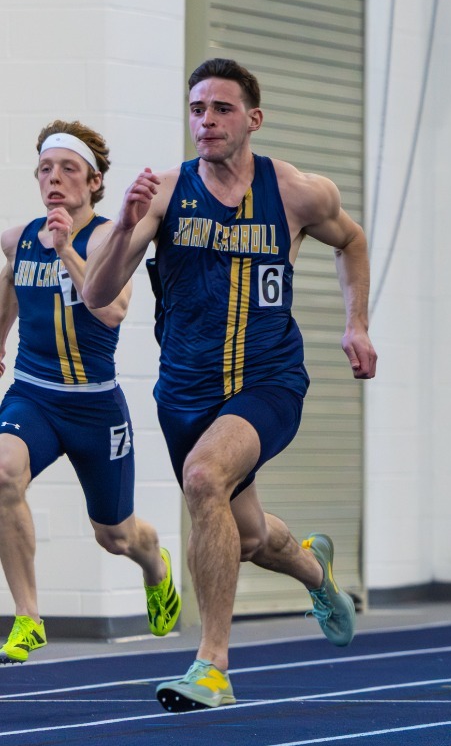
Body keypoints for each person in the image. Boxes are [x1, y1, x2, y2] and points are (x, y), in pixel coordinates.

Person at [84, 59, 375, 712]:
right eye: (197, 109)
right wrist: (127, 226)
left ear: (252, 119)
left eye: (221, 108)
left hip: (269, 381)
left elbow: (350, 240)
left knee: (202, 478)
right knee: (244, 537)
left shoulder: (295, 191)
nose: (206, 121)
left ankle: (211, 665)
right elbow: (98, 296)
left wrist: (357, 325)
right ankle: (313, 568)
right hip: (185, 391)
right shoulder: (162, 194)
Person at [0, 122, 179, 662]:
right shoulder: (18, 237)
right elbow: (10, 279)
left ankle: (157, 568)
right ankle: (28, 618)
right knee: (3, 473)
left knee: (115, 535)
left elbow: (112, 310)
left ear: (94, 181)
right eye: (45, 170)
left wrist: (65, 252)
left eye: (68, 170)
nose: (54, 180)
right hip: (33, 395)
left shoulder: (108, 237)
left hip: (94, 405)